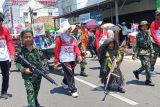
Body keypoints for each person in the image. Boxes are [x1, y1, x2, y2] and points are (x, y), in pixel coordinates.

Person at [15, 30, 49, 106]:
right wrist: (23, 69)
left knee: (36, 91)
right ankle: (32, 104)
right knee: (30, 92)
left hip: (38, 74)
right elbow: (17, 63)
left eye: (30, 37)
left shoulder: (37, 49)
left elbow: (43, 59)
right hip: (27, 75)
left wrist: (46, 70)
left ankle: (35, 101)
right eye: (25, 37)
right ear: (22, 39)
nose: (28, 39)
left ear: (32, 37)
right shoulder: (21, 50)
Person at [54, 21, 82, 98]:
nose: (69, 30)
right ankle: (73, 90)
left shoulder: (73, 38)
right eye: (67, 29)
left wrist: (79, 55)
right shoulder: (59, 39)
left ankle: (64, 82)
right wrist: (56, 62)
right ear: (63, 30)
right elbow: (56, 51)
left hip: (72, 58)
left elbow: (75, 47)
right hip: (64, 58)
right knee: (70, 74)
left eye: (70, 29)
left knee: (70, 72)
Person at [132, 20, 155, 86]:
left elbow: (150, 44)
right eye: (143, 26)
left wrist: (152, 52)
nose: (145, 27)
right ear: (140, 27)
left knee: (145, 65)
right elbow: (136, 45)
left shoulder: (148, 33)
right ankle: (148, 80)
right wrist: (135, 54)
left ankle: (137, 72)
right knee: (147, 66)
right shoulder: (138, 35)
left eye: (146, 26)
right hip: (141, 53)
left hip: (147, 52)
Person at [0, 12, 15, 99]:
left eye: (1, 21)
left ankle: (4, 91)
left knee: (6, 75)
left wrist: (12, 54)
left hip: (4, 57)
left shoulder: (5, 30)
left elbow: (9, 42)